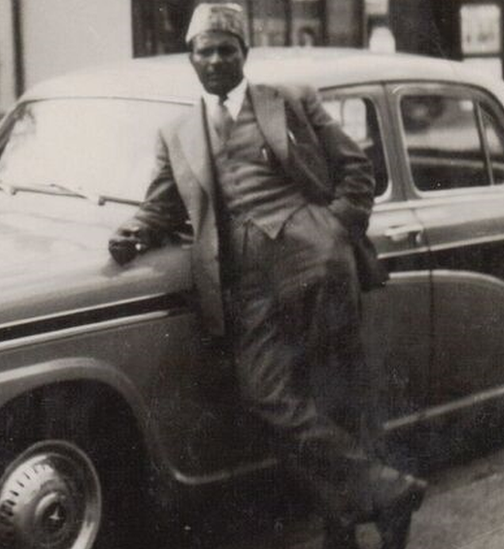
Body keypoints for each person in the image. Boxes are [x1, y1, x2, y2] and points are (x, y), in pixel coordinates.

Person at [108, 4, 426, 549]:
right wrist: (133, 230)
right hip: (244, 285)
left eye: (225, 49)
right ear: (191, 58)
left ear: (243, 55)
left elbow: (356, 169)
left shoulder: (290, 102)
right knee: (269, 398)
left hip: (316, 264)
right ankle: (387, 492)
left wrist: (332, 229)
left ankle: (343, 529)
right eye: (204, 51)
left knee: (335, 395)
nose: (214, 60)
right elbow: (161, 206)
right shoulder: (178, 132)